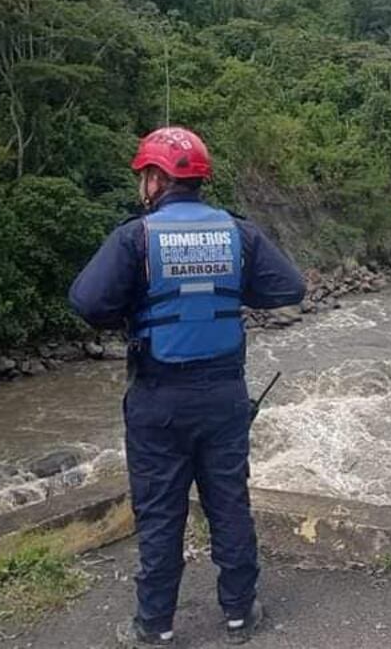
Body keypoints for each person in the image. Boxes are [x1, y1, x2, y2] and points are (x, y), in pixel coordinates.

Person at [69, 127, 305, 646]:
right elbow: (290, 288)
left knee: (160, 512)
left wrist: (138, 304)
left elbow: (87, 301)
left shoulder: (136, 237)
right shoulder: (238, 232)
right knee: (229, 505)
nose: (142, 184)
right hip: (223, 396)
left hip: (159, 399)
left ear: (156, 179)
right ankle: (240, 615)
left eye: (144, 175)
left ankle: (155, 625)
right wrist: (227, 290)